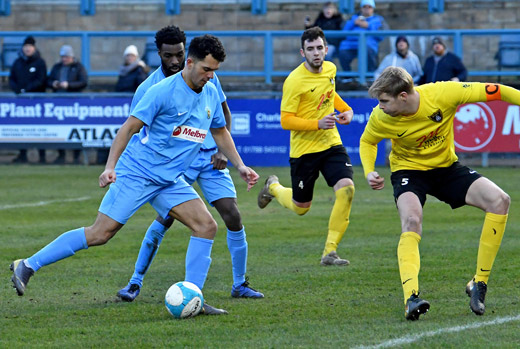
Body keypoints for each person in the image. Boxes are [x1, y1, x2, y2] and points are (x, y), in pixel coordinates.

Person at [10, 34, 259, 317]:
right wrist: (109, 166)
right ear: (190, 63)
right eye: (206, 69)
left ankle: (194, 298)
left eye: (215, 70)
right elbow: (127, 129)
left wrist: (239, 165)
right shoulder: (160, 91)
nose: (210, 76)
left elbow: (219, 131)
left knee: (206, 226)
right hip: (137, 173)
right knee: (100, 233)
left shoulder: (211, 90)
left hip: (168, 179)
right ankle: (28, 265)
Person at [116, 25, 264, 305]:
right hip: (175, 164)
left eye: (179, 54)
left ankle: (240, 283)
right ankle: (135, 281)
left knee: (232, 214)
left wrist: (224, 153)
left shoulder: (207, 74)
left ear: (188, 54)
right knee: (166, 218)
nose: (174, 61)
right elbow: (139, 131)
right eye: (168, 56)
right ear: (159, 54)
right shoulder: (150, 88)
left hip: (209, 156)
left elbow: (222, 114)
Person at [359, 66, 513, 320]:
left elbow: (497, 91)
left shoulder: (442, 93)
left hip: (446, 169)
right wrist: (368, 171)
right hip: (409, 171)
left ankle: (479, 283)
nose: (380, 106)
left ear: (404, 96)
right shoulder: (381, 117)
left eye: (384, 100)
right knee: (411, 221)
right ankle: (411, 298)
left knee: (500, 201)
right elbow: (368, 141)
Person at [257, 27, 355, 266]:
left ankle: (330, 252)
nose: (316, 53)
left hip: (331, 143)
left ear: (326, 49)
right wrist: (317, 123)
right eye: (310, 49)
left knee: (347, 189)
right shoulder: (294, 81)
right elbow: (285, 120)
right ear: (303, 52)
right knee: (302, 208)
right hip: (304, 151)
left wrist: (346, 110)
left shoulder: (331, 69)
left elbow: (330, 94)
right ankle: (274, 187)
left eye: (319, 48)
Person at [8, 35, 47, 163]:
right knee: (21, 127)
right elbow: (11, 78)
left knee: (40, 128)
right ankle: (22, 155)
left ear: (34, 48)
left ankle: (42, 156)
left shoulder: (40, 62)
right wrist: (17, 90)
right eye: (25, 46)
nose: (27, 49)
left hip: (36, 102)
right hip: (22, 103)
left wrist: (27, 90)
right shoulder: (18, 62)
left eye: (29, 46)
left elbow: (41, 80)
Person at [48, 45, 89, 164]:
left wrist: (69, 85)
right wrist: (54, 84)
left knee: (76, 129)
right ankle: (61, 155)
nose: (64, 59)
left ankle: (76, 157)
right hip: (58, 104)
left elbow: (83, 82)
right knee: (59, 128)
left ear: (72, 57)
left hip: (74, 103)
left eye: (66, 57)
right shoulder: (57, 67)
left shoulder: (79, 67)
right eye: (62, 57)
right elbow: (48, 80)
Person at [338, 0, 386, 72]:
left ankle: (370, 76)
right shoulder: (353, 18)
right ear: (361, 8)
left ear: (373, 8)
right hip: (351, 44)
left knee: (369, 52)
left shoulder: (378, 20)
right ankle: (347, 77)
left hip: (368, 44)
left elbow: (381, 35)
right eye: (364, 7)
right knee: (343, 52)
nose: (367, 9)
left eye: (369, 7)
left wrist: (368, 26)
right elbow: (344, 32)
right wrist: (353, 23)